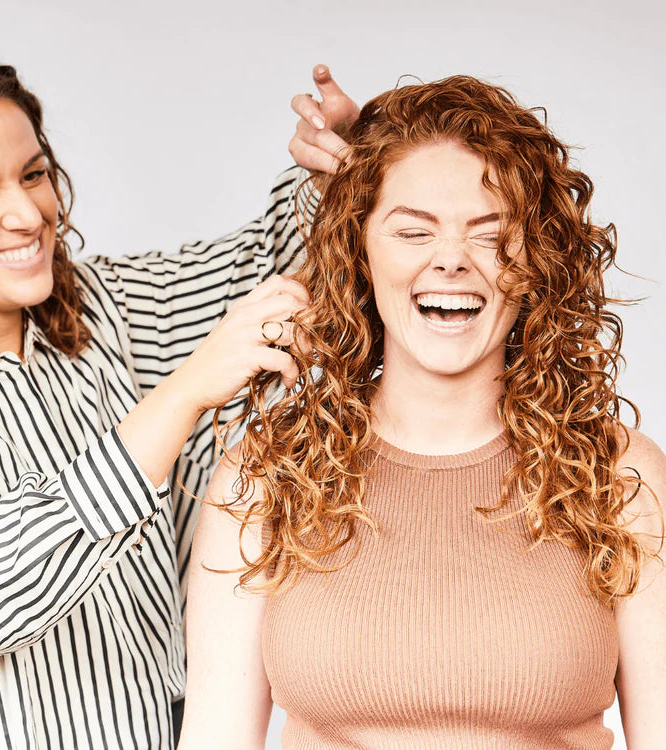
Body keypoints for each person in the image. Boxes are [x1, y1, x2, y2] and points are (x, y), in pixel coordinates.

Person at [179, 75, 666, 749]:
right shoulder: (263, 478)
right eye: (413, 231)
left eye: (491, 235)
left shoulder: (620, 476)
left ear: (534, 259)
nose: (451, 261)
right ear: (360, 251)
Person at [0, 36, 356, 749]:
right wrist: (179, 397)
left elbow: (272, 263)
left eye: (33, 174)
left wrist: (337, 168)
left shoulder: (106, 311)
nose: (28, 215)